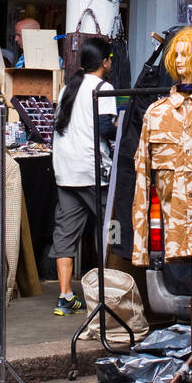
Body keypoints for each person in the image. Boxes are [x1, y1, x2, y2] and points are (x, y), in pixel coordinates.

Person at [48, 38, 115, 315]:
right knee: (109, 230)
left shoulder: (68, 88)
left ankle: (65, 296)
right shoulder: (104, 88)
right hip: (92, 170)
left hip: (65, 170)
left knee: (65, 232)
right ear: (105, 62)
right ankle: (108, 295)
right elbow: (104, 130)